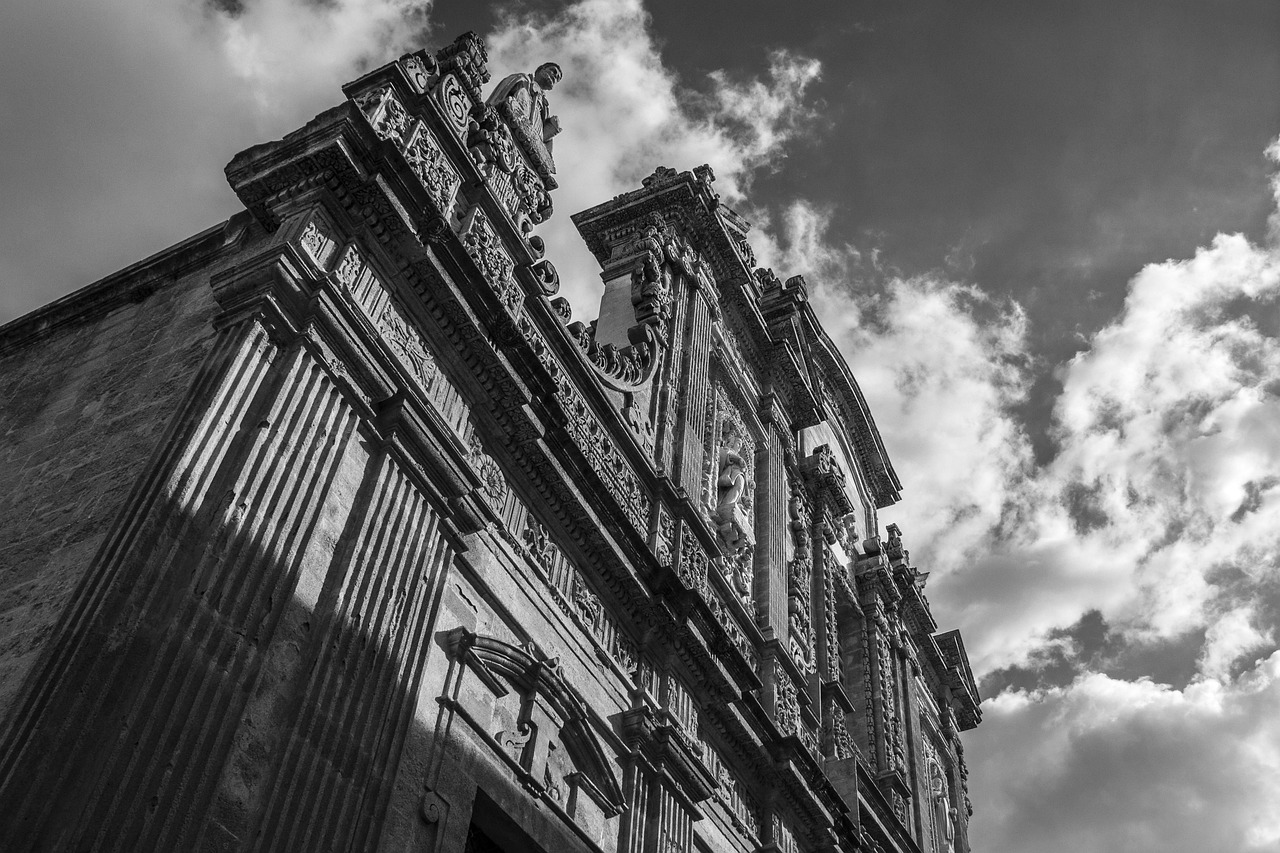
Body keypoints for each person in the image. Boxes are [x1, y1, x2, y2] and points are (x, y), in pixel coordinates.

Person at [486, 62, 563, 152]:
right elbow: (500, 95)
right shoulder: (522, 79)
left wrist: (552, 127)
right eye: (553, 71)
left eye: (557, 77)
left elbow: (543, 139)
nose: (555, 76)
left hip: (527, 146)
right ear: (542, 69)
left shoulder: (544, 107)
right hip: (506, 128)